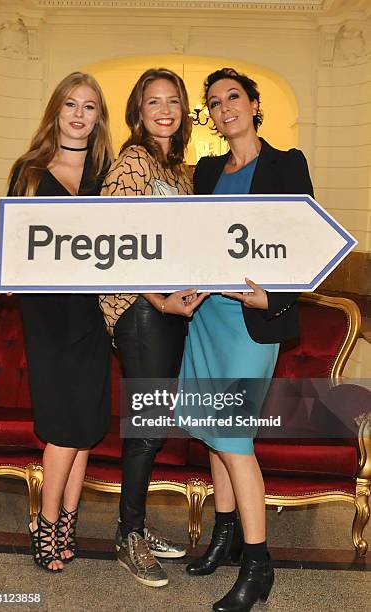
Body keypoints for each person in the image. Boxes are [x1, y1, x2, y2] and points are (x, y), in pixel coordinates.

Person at [181, 68, 314, 612]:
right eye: (213, 102)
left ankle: (259, 565)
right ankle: (225, 536)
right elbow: (189, 239)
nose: (223, 108)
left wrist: (275, 298)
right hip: (205, 317)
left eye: (233, 97)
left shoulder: (288, 163)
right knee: (213, 431)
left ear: (255, 105)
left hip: (251, 322)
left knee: (234, 438)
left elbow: (308, 241)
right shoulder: (207, 170)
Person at [99, 68, 206, 588]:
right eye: (152, 101)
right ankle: (129, 535)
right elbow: (115, 240)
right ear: (137, 112)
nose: (164, 110)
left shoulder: (179, 171)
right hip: (139, 307)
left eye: (173, 101)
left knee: (155, 424)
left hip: (168, 307)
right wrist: (161, 299)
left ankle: (134, 523)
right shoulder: (133, 161)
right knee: (145, 427)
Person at [7, 72, 114, 572]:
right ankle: (45, 526)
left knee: (87, 423)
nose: (78, 115)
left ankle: (68, 523)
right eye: (70, 104)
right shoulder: (29, 171)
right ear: (56, 111)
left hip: (93, 313)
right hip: (47, 315)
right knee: (63, 425)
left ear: (99, 118)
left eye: (89, 107)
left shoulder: (106, 176)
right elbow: (17, 245)